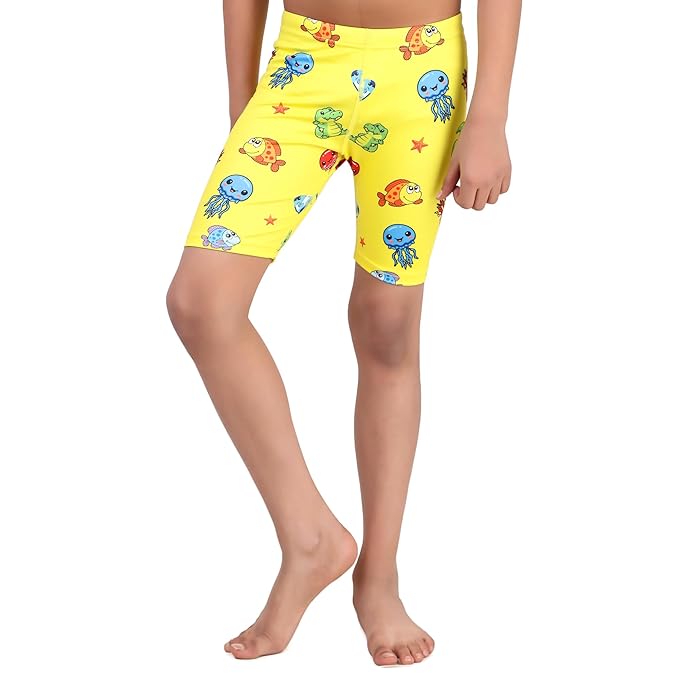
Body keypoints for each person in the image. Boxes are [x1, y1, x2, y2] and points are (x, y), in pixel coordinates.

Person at [166, 0, 520, 666]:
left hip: (421, 73)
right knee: (200, 302)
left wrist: (491, 114)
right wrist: (244, 102)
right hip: (300, 66)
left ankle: (378, 578)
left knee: (387, 325)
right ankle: (311, 537)